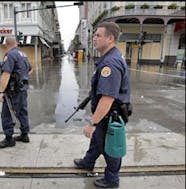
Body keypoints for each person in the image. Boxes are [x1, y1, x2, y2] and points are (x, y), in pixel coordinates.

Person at [73, 22, 131, 188]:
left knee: (110, 148)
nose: (94, 38)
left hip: (109, 115)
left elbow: (107, 99)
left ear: (110, 38)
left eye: (98, 35)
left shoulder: (110, 64)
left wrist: (92, 123)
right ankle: (88, 162)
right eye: (94, 35)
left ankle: (112, 179)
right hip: (107, 114)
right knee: (97, 141)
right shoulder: (109, 57)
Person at [0, 37, 32, 148]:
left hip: (12, 91)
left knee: (7, 113)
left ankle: (9, 139)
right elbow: (30, 69)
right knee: (22, 111)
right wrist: (21, 79)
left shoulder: (10, 55)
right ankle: (24, 135)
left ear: (6, 45)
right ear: (16, 44)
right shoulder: (23, 55)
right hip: (22, 89)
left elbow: (6, 74)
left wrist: (1, 91)